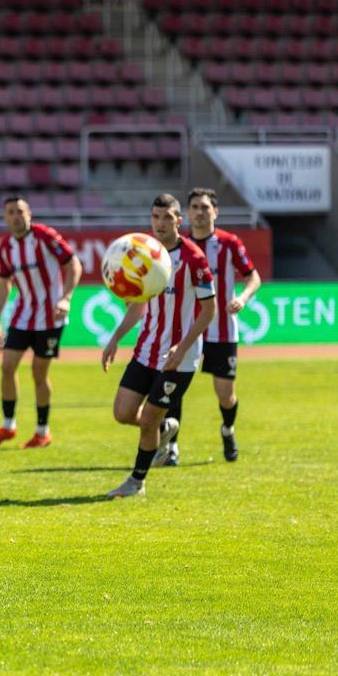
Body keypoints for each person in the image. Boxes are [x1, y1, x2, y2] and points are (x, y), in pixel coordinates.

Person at [101, 193, 215, 498]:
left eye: (167, 218)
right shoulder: (143, 254)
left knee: (149, 417)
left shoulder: (194, 259)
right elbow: (138, 306)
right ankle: (163, 431)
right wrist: (115, 339)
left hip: (180, 358)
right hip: (146, 351)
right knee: (123, 413)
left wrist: (182, 348)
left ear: (179, 220)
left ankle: (136, 482)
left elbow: (208, 310)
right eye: (155, 217)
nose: (160, 224)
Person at [161, 187, 260, 464]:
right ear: (186, 214)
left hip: (222, 328)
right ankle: (171, 449)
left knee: (225, 395)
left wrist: (242, 297)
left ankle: (228, 429)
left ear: (215, 212)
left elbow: (254, 277)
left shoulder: (229, 243)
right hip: (186, 330)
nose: (200, 212)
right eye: (195, 207)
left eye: (205, 207)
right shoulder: (178, 249)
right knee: (173, 387)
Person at [0, 196, 82, 449]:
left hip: (51, 318)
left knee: (39, 372)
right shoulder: (5, 248)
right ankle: (8, 425)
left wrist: (66, 298)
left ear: (29, 214)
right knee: (7, 367)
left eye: (20, 211)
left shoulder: (45, 236)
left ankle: (42, 431)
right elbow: (4, 283)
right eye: (11, 212)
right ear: (5, 217)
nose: (16, 216)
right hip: (23, 316)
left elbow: (73, 264)